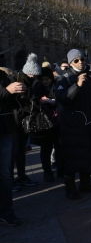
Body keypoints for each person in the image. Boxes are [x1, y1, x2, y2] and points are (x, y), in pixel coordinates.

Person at [56, 49, 91, 200]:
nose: (80, 62)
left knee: (89, 154)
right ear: (71, 62)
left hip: (89, 123)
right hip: (72, 125)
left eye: (82, 59)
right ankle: (70, 187)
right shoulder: (64, 78)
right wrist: (77, 86)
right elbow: (63, 99)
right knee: (71, 157)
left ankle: (86, 183)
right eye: (76, 60)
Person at [0, 67, 26, 226]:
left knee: (5, 175)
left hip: (5, 130)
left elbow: (13, 103)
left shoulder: (4, 76)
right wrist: (6, 91)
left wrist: (20, 92)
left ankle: (6, 211)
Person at [11, 53, 41, 188]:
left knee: (21, 151)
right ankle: (13, 178)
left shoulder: (31, 84)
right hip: (16, 121)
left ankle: (21, 176)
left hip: (23, 121)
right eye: (32, 74)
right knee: (15, 151)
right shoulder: (19, 82)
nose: (33, 76)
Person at [31, 67, 62, 182]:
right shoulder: (37, 87)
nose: (45, 81)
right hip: (44, 122)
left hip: (57, 121)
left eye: (47, 79)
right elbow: (33, 101)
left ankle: (60, 169)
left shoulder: (57, 85)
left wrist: (52, 101)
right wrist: (39, 102)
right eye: (43, 79)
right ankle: (47, 172)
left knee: (59, 147)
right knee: (46, 149)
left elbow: (61, 99)